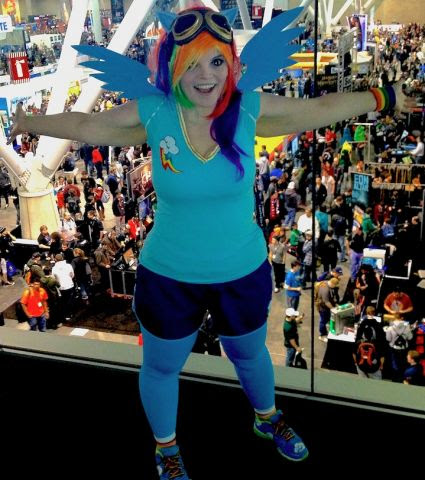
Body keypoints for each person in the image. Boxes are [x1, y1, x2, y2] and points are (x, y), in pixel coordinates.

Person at [7, 5, 413, 477]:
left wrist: (383, 96)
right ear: (173, 66)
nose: (205, 76)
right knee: (162, 366)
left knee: (250, 355)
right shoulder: (155, 112)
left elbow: (317, 110)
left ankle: (267, 418)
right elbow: (84, 126)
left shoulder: (247, 109)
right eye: (192, 63)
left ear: (231, 63)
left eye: (216, 61)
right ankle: (167, 448)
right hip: (168, 276)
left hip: (241, 271)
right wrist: (28, 124)